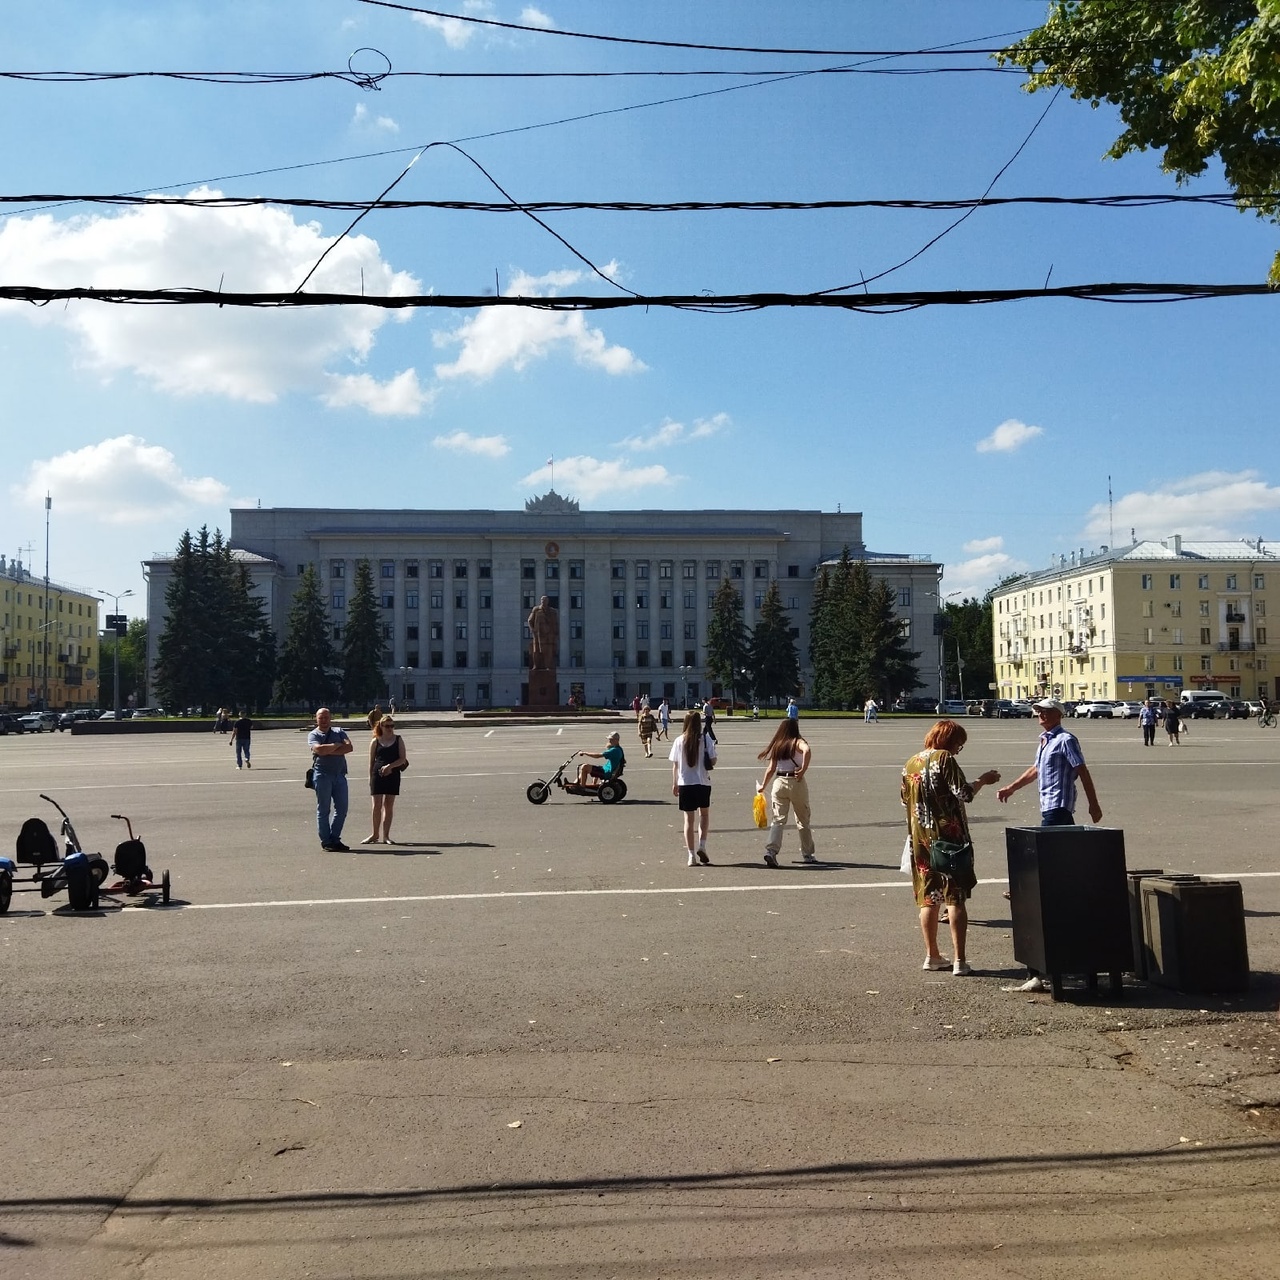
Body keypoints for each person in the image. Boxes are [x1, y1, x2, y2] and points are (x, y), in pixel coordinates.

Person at [996, 697, 1103, 991]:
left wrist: (1094, 804)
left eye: (1043, 711)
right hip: (1049, 807)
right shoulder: (1045, 740)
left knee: (1047, 853)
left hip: (1058, 807)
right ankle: (1040, 886)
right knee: (1058, 858)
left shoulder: (1066, 739)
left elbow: (1082, 771)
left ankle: (1030, 887)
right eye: (1036, 712)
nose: (1038, 715)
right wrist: (1012, 787)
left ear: (1058, 713)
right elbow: (1036, 770)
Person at [902, 719, 1001, 977]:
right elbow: (964, 793)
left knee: (929, 898)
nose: (959, 749)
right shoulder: (944, 758)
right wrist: (983, 780)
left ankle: (932, 955)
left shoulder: (911, 762)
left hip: (920, 841)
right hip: (948, 839)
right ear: (949, 740)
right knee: (955, 898)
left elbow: (905, 800)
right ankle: (960, 960)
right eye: (959, 743)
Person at [757, 718, 816, 867]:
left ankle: (771, 851)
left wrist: (763, 785)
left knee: (778, 820)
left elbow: (771, 768)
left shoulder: (778, 744)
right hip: (796, 783)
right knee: (803, 819)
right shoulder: (797, 742)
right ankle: (807, 854)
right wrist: (803, 769)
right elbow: (807, 750)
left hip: (779, 783)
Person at [670, 709, 716, 866]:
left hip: (685, 784)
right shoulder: (706, 739)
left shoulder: (679, 740)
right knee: (704, 815)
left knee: (688, 820)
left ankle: (691, 856)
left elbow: (675, 765)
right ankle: (702, 845)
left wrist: (675, 783)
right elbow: (713, 760)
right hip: (703, 783)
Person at [308, 707, 354, 852]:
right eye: (321, 717)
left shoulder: (339, 731)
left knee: (342, 809)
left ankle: (335, 838)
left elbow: (349, 747)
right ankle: (326, 841)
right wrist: (336, 745)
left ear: (331, 718)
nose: (324, 720)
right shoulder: (313, 734)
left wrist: (327, 750)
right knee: (323, 809)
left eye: (326, 717)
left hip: (339, 775)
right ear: (316, 719)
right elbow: (319, 750)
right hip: (322, 775)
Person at [363, 714, 407, 844]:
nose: (390, 728)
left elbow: (402, 759)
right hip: (378, 775)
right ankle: (374, 834)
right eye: (387, 726)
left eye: (392, 726)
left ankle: (386, 836)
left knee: (389, 805)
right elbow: (371, 762)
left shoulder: (398, 739)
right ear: (381, 726)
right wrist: (370, 777)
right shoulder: (375, 741)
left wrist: (390, 766)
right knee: (376, 805)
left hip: (392, 775)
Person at [527, 595, 559, 670]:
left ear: (548, 601)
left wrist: (556, 634)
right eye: (542, 600)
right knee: (536, 651)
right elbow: (530, 620)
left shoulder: (552, 611)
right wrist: (533, 630)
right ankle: (536, 666)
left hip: (549, 636)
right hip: (538, 635)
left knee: (548, 651)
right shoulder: (536, 610)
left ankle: (548, 665)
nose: (543, 602)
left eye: (545, 600)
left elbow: (556, 623)